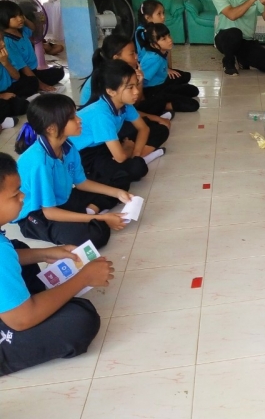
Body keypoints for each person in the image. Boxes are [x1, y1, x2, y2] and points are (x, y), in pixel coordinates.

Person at [0, 152, 112, 376]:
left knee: (18, 247)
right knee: (79, 320)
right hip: (15, 321)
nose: (23, 196)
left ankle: (29, 301)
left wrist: (45, 253)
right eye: (15, 194)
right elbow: (22, 320)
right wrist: (84, 278)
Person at [14, 95, 132, 249]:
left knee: (120, 178)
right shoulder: (40, 162)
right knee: (97, 235)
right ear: (51, 128)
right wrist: (102, 218)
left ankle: (90, 210)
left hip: (61, 199)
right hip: (37, 214)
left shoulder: (67, 145)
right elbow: (50, 212)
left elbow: (81, 182)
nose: (79, 120)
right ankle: (92, 214)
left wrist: (117, 193)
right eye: (71, 118)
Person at [74, 60, 164, 185]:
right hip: (84, 154)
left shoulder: (124, 104)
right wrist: (127, 148)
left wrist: (136, 154)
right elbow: (120, 158)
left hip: (103, 144)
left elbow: (144, 129)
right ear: (111, 91)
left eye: (136, 85)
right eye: (130, 87)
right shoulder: (101, 114)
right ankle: (137, 159)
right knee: (135, 170)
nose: (136, 91)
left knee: (160, 130)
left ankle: (138, 158)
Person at [79, 36, 171, 147]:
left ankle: (135, 149)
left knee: (156, 104)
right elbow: (125, 108)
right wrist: (156, 119)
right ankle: (130, 150)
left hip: (120, 113)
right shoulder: (108, 79)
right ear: (116, 58)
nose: (136, 57)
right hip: (102, 125)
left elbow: (135, 102)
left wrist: (139, 82)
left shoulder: (123, 75)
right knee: (153, 128)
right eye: (132, 54)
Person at [0, 0, 65, 92]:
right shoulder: (8, 42)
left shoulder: (22, 31)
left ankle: (36, 80)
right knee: (32, 83)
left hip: (33, 70)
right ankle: (36, 82)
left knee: (59, 72)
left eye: (20, 14)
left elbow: (33, 28)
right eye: (14, 17)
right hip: (22, 72)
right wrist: (41, 84)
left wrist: (25, 19)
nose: (20, 19)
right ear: (3, 18)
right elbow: (23, 67)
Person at [138, 22, 200, 113]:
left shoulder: (162, 51)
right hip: (153, 91)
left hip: (162, 84)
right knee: (193, 105)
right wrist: (145, 101)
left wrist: (168, 69)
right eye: (164, 39)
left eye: (169, 36)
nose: (170, 40)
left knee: (193, 89)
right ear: (153, 44)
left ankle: (168, 96)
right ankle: (163, 105)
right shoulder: (154, 59)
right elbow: (142, 81)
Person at [136, 0, 190, 81]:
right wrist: (167, 70)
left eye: (163, 13)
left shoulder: (159, 29)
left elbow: (168, 51)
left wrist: (169, 68)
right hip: (150, 68)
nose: (163, 17)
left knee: (186, 76)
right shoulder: (142, 32)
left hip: (161, 65)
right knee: (181, 78)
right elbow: (145, 57)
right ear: (148, 17)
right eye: (159, 14)